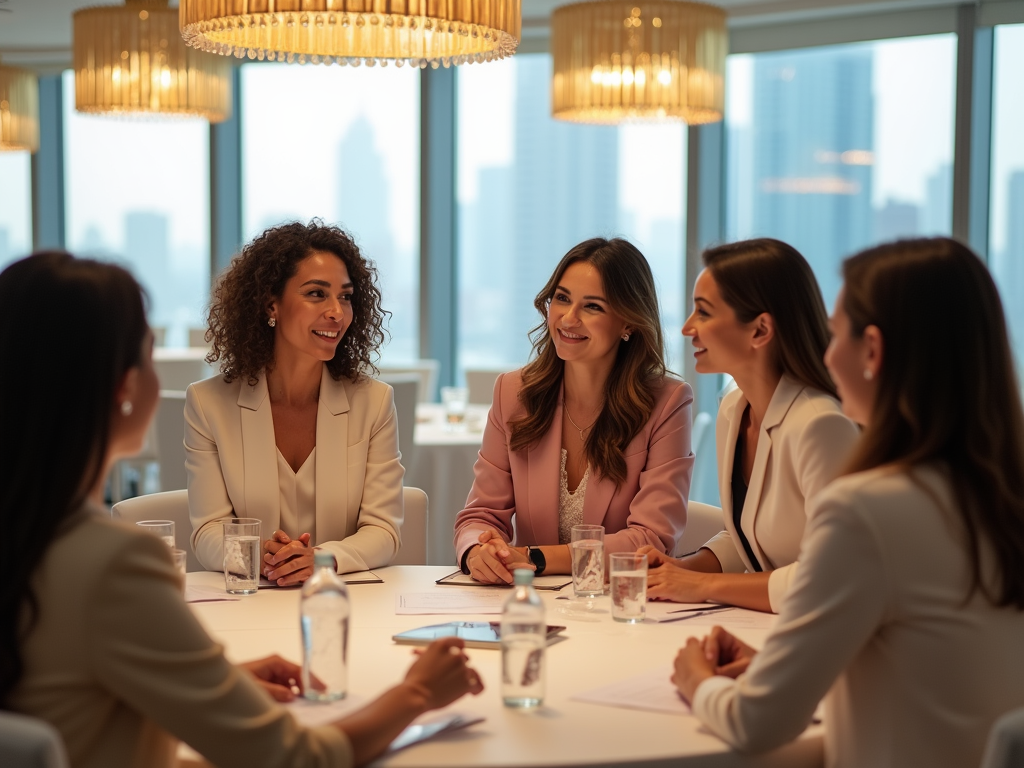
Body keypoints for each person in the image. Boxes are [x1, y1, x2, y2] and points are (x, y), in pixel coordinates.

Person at [0, 252, 483, 768]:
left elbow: (84, 691)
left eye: (345, 296)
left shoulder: (28, 536)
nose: (337, 311)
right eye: (148, 353)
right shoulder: (117, 563)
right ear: (124, 386)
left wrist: (206, 679)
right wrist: (416, 693)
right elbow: (294, 758)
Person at [672, 238, 1024, 767]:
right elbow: (926, 654)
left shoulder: (869, 509)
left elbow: (757, 723)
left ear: (874, 350)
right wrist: (784, 662)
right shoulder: (996, 494)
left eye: (836, 334)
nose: (826, 352)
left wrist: (696, 680)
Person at [453, 237, 693, 584]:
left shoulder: (667, 402)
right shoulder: (513, 393)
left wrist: (536, 558)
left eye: (592, 306)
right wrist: (478, 551)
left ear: (628, 323)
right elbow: (480, 515)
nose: (568, 318)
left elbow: (649, 539)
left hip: (618, 604)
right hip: (531, 604)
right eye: (562, 298)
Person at [639, 239, 860, 612]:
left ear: (760, 330)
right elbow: (749, 537)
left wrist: (701, 584)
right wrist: (681, 570)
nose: (687, 328)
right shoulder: (734, 408)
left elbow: (831, 577)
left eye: (704, 313)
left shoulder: (821, 426)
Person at [187, 221, 403, 585]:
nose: (337, 311)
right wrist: (264, 560)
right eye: (317, 294)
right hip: (249, 602)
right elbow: (207, 530)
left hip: (342, 599)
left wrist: (320, 559)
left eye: (346, 296)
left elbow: (383, 529)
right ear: (271, 304)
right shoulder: (208, 404)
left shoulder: (375, 402)